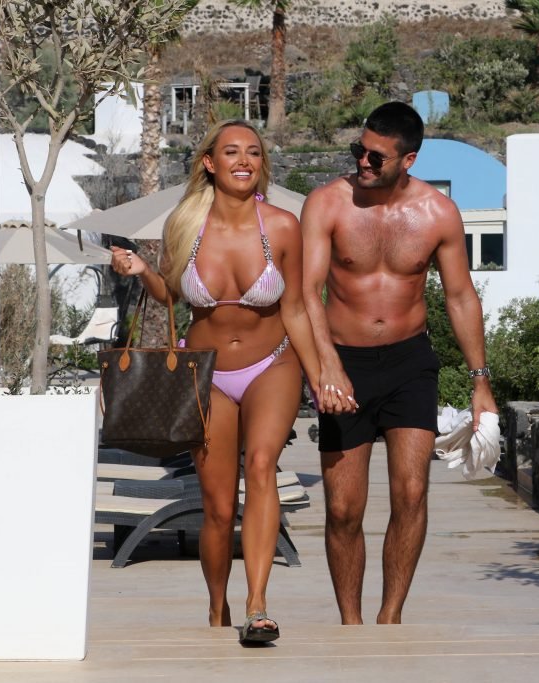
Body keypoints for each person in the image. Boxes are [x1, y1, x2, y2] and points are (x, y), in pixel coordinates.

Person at [111, 119, 352, 643]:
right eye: (232, 152)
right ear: (210, 163)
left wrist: (320, 380)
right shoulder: (185, 225)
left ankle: (257, 605)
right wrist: (141, 271)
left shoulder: (282, 227)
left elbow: (295, 309)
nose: (244, 161)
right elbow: (170, 295)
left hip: (273, 364)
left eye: (253, 153)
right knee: (218, 508)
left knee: (262, 466)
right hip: (207, 373)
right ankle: (217, 609)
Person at [301, 101, 498, 625]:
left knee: (411, 494)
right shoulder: (327, 204)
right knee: (343, 508)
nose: (362, 162)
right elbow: (307, 291)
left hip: (411, 363)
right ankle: (351, 623)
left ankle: (389, 619)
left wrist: (481, 382)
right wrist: (326, 365)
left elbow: (460, 296)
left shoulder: (438, 213)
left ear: (408, 160)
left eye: (376, 157)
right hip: (344, 363)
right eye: (358, 150)